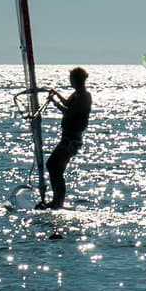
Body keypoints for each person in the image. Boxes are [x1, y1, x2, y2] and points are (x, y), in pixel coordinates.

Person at [41, 67, 92, 209]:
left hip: (72, 141)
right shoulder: (76, 94)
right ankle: (57, 200)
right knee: (53, 166)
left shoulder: (84, 97)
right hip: (67, 139)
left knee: (54, 167)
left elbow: (68, 112)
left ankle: (58, 201)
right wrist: (56, 94)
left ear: (77, 80)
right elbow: (67, 103)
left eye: (71, 79)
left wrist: (54, 102)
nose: (70, 82)